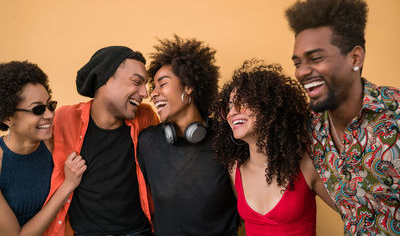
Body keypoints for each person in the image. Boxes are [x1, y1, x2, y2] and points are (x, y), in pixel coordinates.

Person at [285, 0, 400, 235]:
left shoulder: (395, 114)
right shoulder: (308, 128)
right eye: (297, 63)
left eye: (315, 58)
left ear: (355, 57)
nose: (302, 72)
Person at [43, 46, 159, 236]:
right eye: (136, 82)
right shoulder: (65, 118)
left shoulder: (145, 117)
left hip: (139, 232)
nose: (144, 93)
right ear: (104, 78)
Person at [211, 60, 337, 236]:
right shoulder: (234, 169)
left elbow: (355, 213)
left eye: (241, 102)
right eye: (229, 106)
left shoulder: (306, 166)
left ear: (268, 106)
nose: (232, 112)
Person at [137, 35, 238, 236]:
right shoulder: (147, 142)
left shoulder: (227, 137)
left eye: (162, 84)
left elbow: (248, 205)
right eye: (153, 87)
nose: (153, 94)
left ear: (188, 86)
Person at [0, 61, 86, 236]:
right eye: (38, 109)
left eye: (50, 105)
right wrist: (67, 185)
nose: (49, 115)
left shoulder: (53, 144)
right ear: (8, 117)